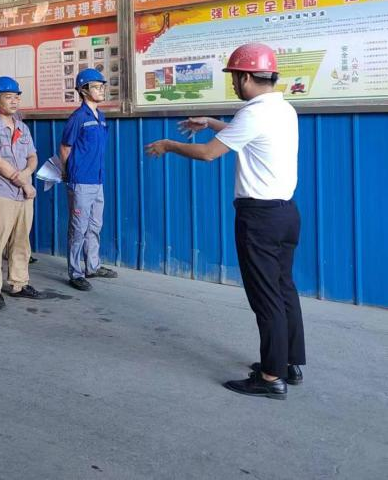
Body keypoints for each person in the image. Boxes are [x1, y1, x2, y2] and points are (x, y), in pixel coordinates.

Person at [146, 43, 304, 400]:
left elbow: (208, 154)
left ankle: (270, 378)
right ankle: (288, 363)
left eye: (234, 77)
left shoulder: (254, 113)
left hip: (260, 218)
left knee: (266, 297)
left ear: (246, 77)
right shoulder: (282, 108)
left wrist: (169, 145)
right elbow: (246, 134)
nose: (233, 84)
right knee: (283, 289)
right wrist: (212, 122)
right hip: (285, 214)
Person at [0, 77, 44, 310]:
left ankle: (19, 283)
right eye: (8, 97)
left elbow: (33, 156)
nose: (14, 101)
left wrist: (26, 174)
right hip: (1, 192)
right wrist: (25, 183)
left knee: (21, 241)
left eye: (16, 97)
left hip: (24, 194)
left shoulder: (22, 127)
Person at [60, 69, 118, 292]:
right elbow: (65, 148)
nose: (101, 90)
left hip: (98, 179)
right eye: (96, 86)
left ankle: (92, 266)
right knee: (78, 229)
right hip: (81, 181)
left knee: (94, 226)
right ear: (83, 91)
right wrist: (68, 173)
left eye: (102, 86)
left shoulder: (100, 117)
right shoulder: (78, 117)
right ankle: (75, 272)